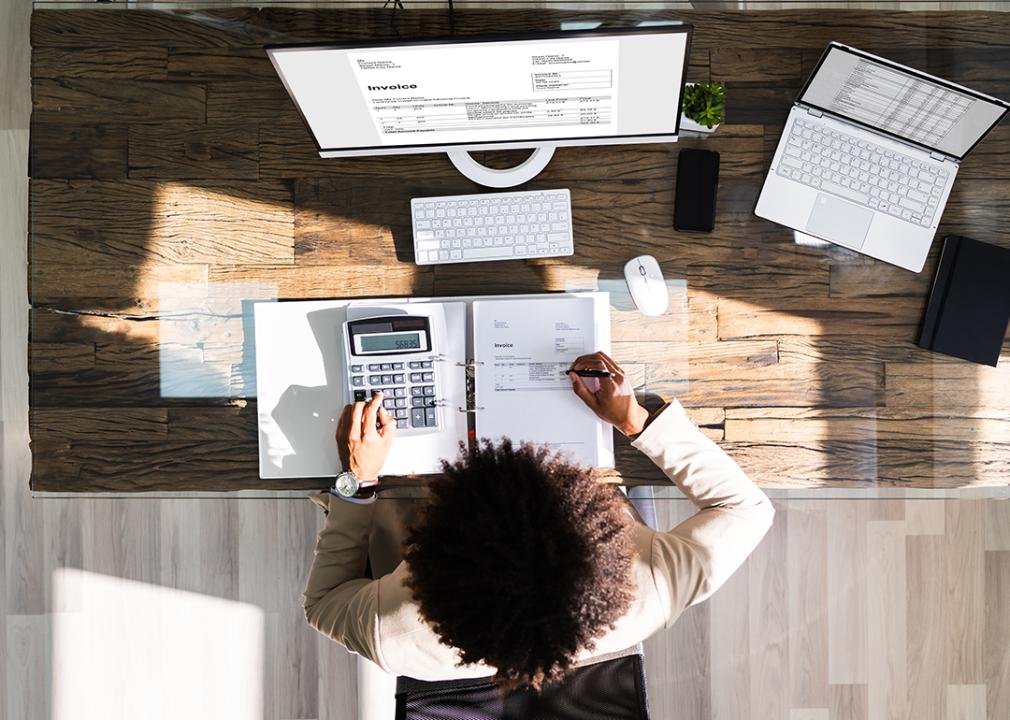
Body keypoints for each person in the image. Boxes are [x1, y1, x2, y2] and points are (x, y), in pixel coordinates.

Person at [303, 351, 775, 692]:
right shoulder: (651, 585)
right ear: (608, 540)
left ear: (428, 550)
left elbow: (323, 604)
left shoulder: (395, 632)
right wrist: (636, 421)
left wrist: (357, 480)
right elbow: (748, 511)